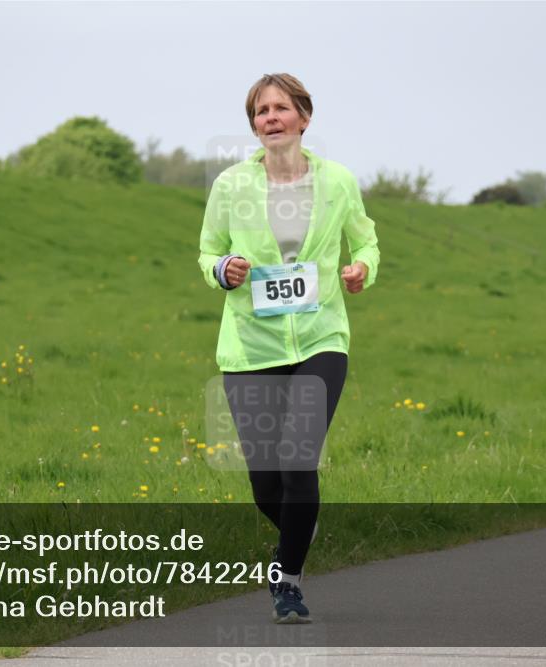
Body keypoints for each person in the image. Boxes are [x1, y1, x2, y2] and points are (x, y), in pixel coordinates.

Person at [197, 73, 380, 624]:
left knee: (300, 465)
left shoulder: (338, 181)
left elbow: (366, 238)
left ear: (304, 117)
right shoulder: (231, 186)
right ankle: (301, 527)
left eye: (281, 108)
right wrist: (222, 270)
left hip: (322, 340)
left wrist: (361, 268)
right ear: (253, 125)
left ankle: (287, 579)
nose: (270, 117)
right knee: (265, 484)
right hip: (251, 348)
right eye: (260, 111)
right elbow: (207, 251)